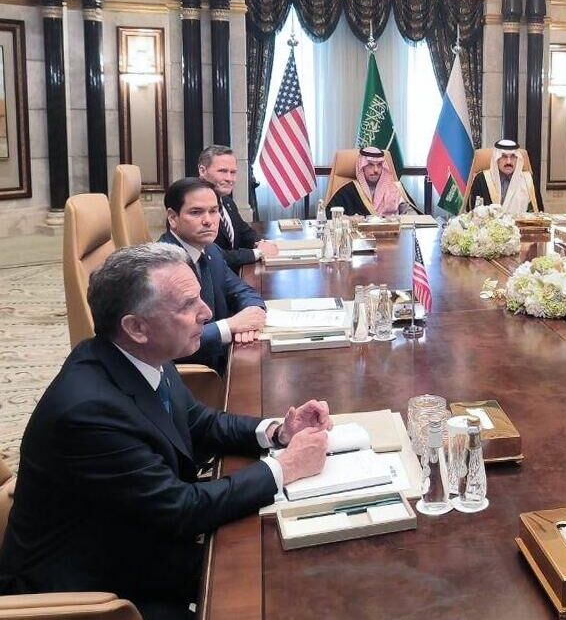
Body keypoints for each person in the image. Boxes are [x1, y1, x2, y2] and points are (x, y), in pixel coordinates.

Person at [0, 243, 330, 619]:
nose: (207, 313)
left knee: (294, 564)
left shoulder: (141, 355)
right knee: (274, 586)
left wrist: (278, 432)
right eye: (188, 306)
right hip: (94, 590)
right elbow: (181, 508)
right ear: (136, 327)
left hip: (139, 540)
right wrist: (284, 468)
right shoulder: (88, 412)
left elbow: (200, 422)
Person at [159, 177, 267, 373]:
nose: (208, 220)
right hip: (195, 376)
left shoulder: (211, 250)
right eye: (196, 212)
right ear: (173, 218)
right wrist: (230, 326)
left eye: (214, 211)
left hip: (226, 358)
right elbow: (171, 341)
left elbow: (241, 290)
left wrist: (252, 314)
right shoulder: (163, 267)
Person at [198, 144, 279, 271]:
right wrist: (257, 253)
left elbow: (245, 233)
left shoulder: (227, 202)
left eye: (233, 172)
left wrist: (261, 243)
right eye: (222, 171)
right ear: (203, 171)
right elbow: (211, 256)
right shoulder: (194, 207)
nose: (229, 179)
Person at [325, 146, 411, 219]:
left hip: (391, 233)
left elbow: (412, 214)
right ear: (362, 167)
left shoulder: (395, 189)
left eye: (379, 165)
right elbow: (329, 215)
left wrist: (400, 218)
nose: (376, 170)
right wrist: (349, 219)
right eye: (370, 165)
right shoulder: (348, 191)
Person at [467, 139, 541, 214]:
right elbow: (472, 212)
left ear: (518, 159)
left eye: (513, 156)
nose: (509, 162)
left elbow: (539, 212)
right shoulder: (481, 179)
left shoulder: (529, 180)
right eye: (504, 157)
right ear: (496, 159)